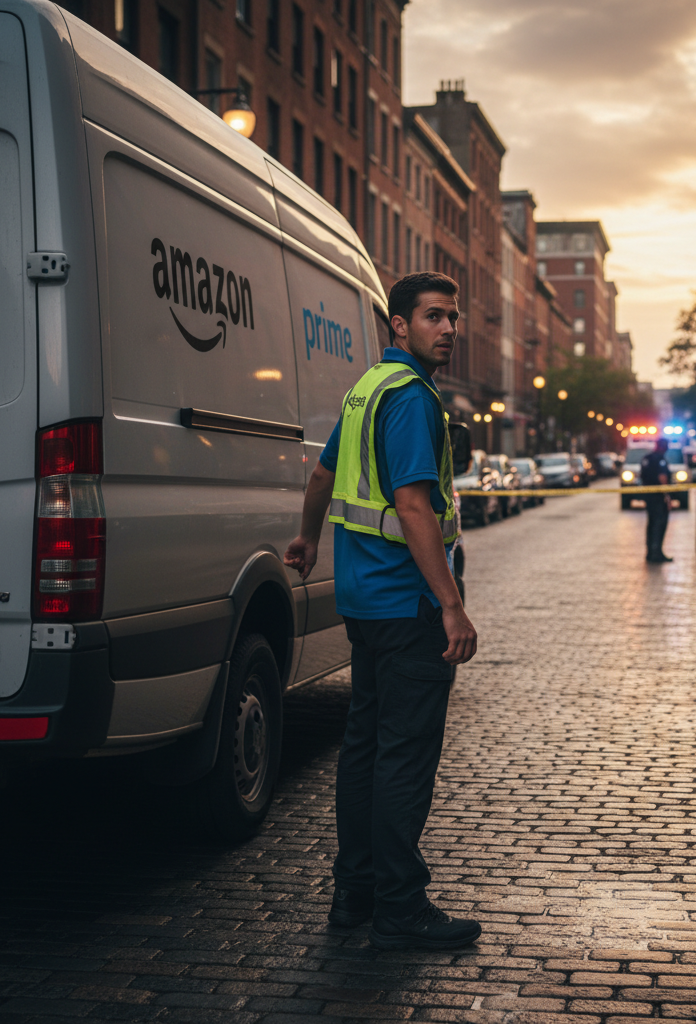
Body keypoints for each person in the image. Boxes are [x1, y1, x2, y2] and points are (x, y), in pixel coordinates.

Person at [283, 272, 480, 950]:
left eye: (452, 317)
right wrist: (450, 606)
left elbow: (321, 474)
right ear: (399, 325)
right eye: (433, 317)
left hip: (362, 606)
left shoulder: (366, 388)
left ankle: (355, 892)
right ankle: (400, 907)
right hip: (407, 606)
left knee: (364, 752)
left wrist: (308, 537)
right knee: (403, 758)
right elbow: (413, 504)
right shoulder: (412, 398)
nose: (447, 328)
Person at [641, 438, 672, 563]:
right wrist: (667, 496)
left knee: (651, 524)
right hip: (658, 497)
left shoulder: (647, 458)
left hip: (648, 495)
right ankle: (656, 552)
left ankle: (650, 552)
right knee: (659, 524)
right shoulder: (660, 459)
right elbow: (662, 477)